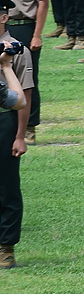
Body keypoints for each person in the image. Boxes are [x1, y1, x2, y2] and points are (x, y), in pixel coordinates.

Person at [0, 0, 50, 142]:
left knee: (28, 78)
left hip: (25, 26)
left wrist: (37, 35)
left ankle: (29, 125)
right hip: (4, 26)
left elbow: (43, 3)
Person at [0, 23, 30, 269]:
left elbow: (24, 97)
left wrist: (20, 134)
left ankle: (6, 246)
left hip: (4, 120)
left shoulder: (17, 49)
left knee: (7, 185)